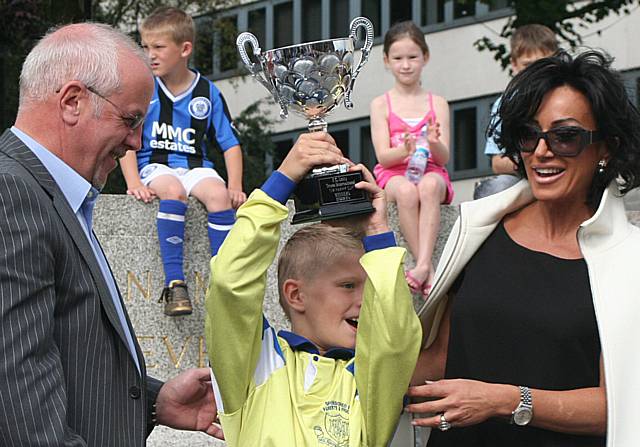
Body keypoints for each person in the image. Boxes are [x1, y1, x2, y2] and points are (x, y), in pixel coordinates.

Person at [0, 23, 223, 446]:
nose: (136, 142)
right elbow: (16, 396)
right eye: (131, 119)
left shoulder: (53, 197)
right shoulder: (12, 195)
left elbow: (64, 356)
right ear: (72, 101)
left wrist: (155, 401)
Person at [408, 50, 640, 447]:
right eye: (529, 135)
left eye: (565, 136)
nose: (541, 152)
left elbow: (620, 404)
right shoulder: (478, 230)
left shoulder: (628, 260)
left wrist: (507, 400)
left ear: (606, 147)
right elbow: (438, 359)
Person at [204, 131, 422, 446]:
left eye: (368, 286)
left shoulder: (367, 378)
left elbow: (396, 339)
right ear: (296, 295)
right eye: (348, 285)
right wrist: (282, 180)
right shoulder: (257, 362)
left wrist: (378, 232)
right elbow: (229, 283)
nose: (364, 300)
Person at [120, 6, 245, 317]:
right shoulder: (144, 88)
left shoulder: (207, 91)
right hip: (155, 165)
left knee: (218, 197)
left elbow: (229, 144)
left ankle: (224, 283)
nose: (150, 55)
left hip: (196, 166)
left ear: (185, 49)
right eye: (145, 47)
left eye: (159, 47)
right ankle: (175, 283)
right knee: (173, 190)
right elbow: (126, 138)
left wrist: (236, 186)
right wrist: (133, 181)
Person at [370, 21, 453, 298]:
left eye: (412, 57)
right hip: (393, 173)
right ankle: (427, 267)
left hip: (431, 170)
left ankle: (421, 267)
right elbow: (383, 156)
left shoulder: (437, 103)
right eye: (398, 58)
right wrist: (404, 150)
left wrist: (432, 142)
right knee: (406, 191)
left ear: (425, 58)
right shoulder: (381, 104)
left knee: (428, 187)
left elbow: (444, 157)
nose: (405, 65)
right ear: (386, 61)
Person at [474, 24, 558, 199]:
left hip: (561, 175)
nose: (536, 72)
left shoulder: (566, 98)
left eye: (543, 63)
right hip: (522, 180)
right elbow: (497, 163)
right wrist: (534, 161)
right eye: (528, 65)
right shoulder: (504, 105)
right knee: (491, 190)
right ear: (514, 64)